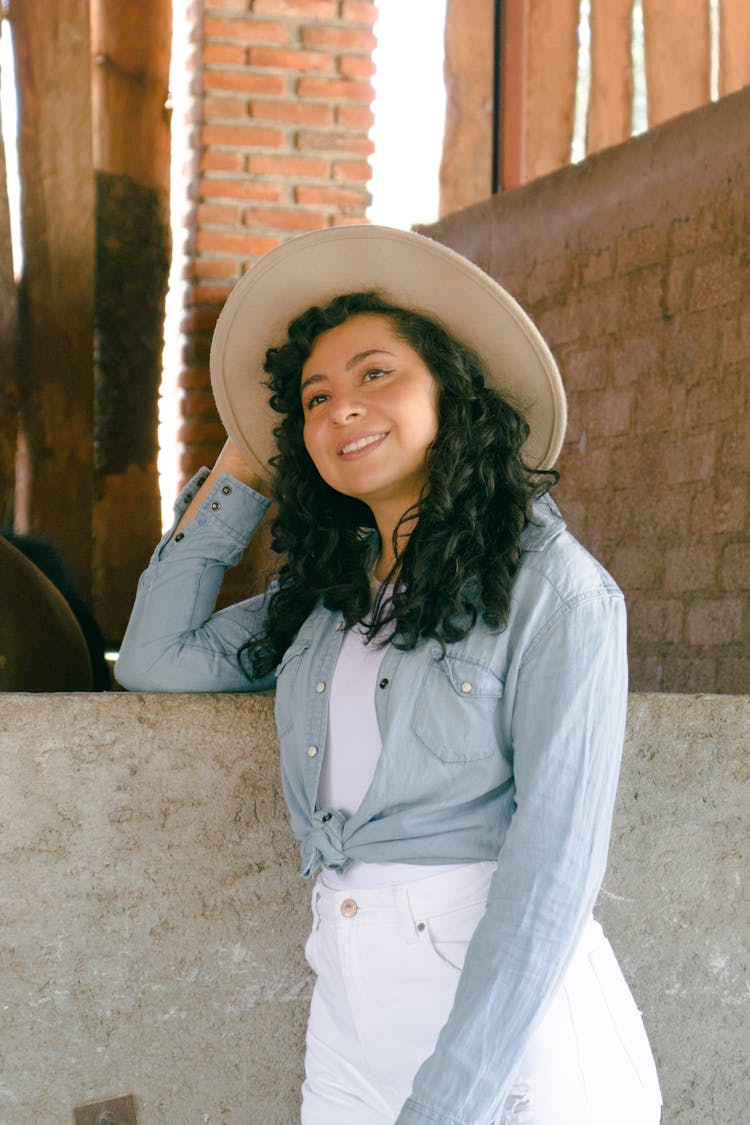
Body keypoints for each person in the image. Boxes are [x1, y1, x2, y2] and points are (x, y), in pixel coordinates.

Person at [116, 226, 662, 1124]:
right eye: (314, 397)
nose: (340, 409)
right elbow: (153, 658)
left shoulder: (559, 593)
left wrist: (453, 1097)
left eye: (376, 374)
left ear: (452, 392)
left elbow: (553, 873)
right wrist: (242, 469)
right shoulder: (326, 598)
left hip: (508, 1033)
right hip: (350, 1002)